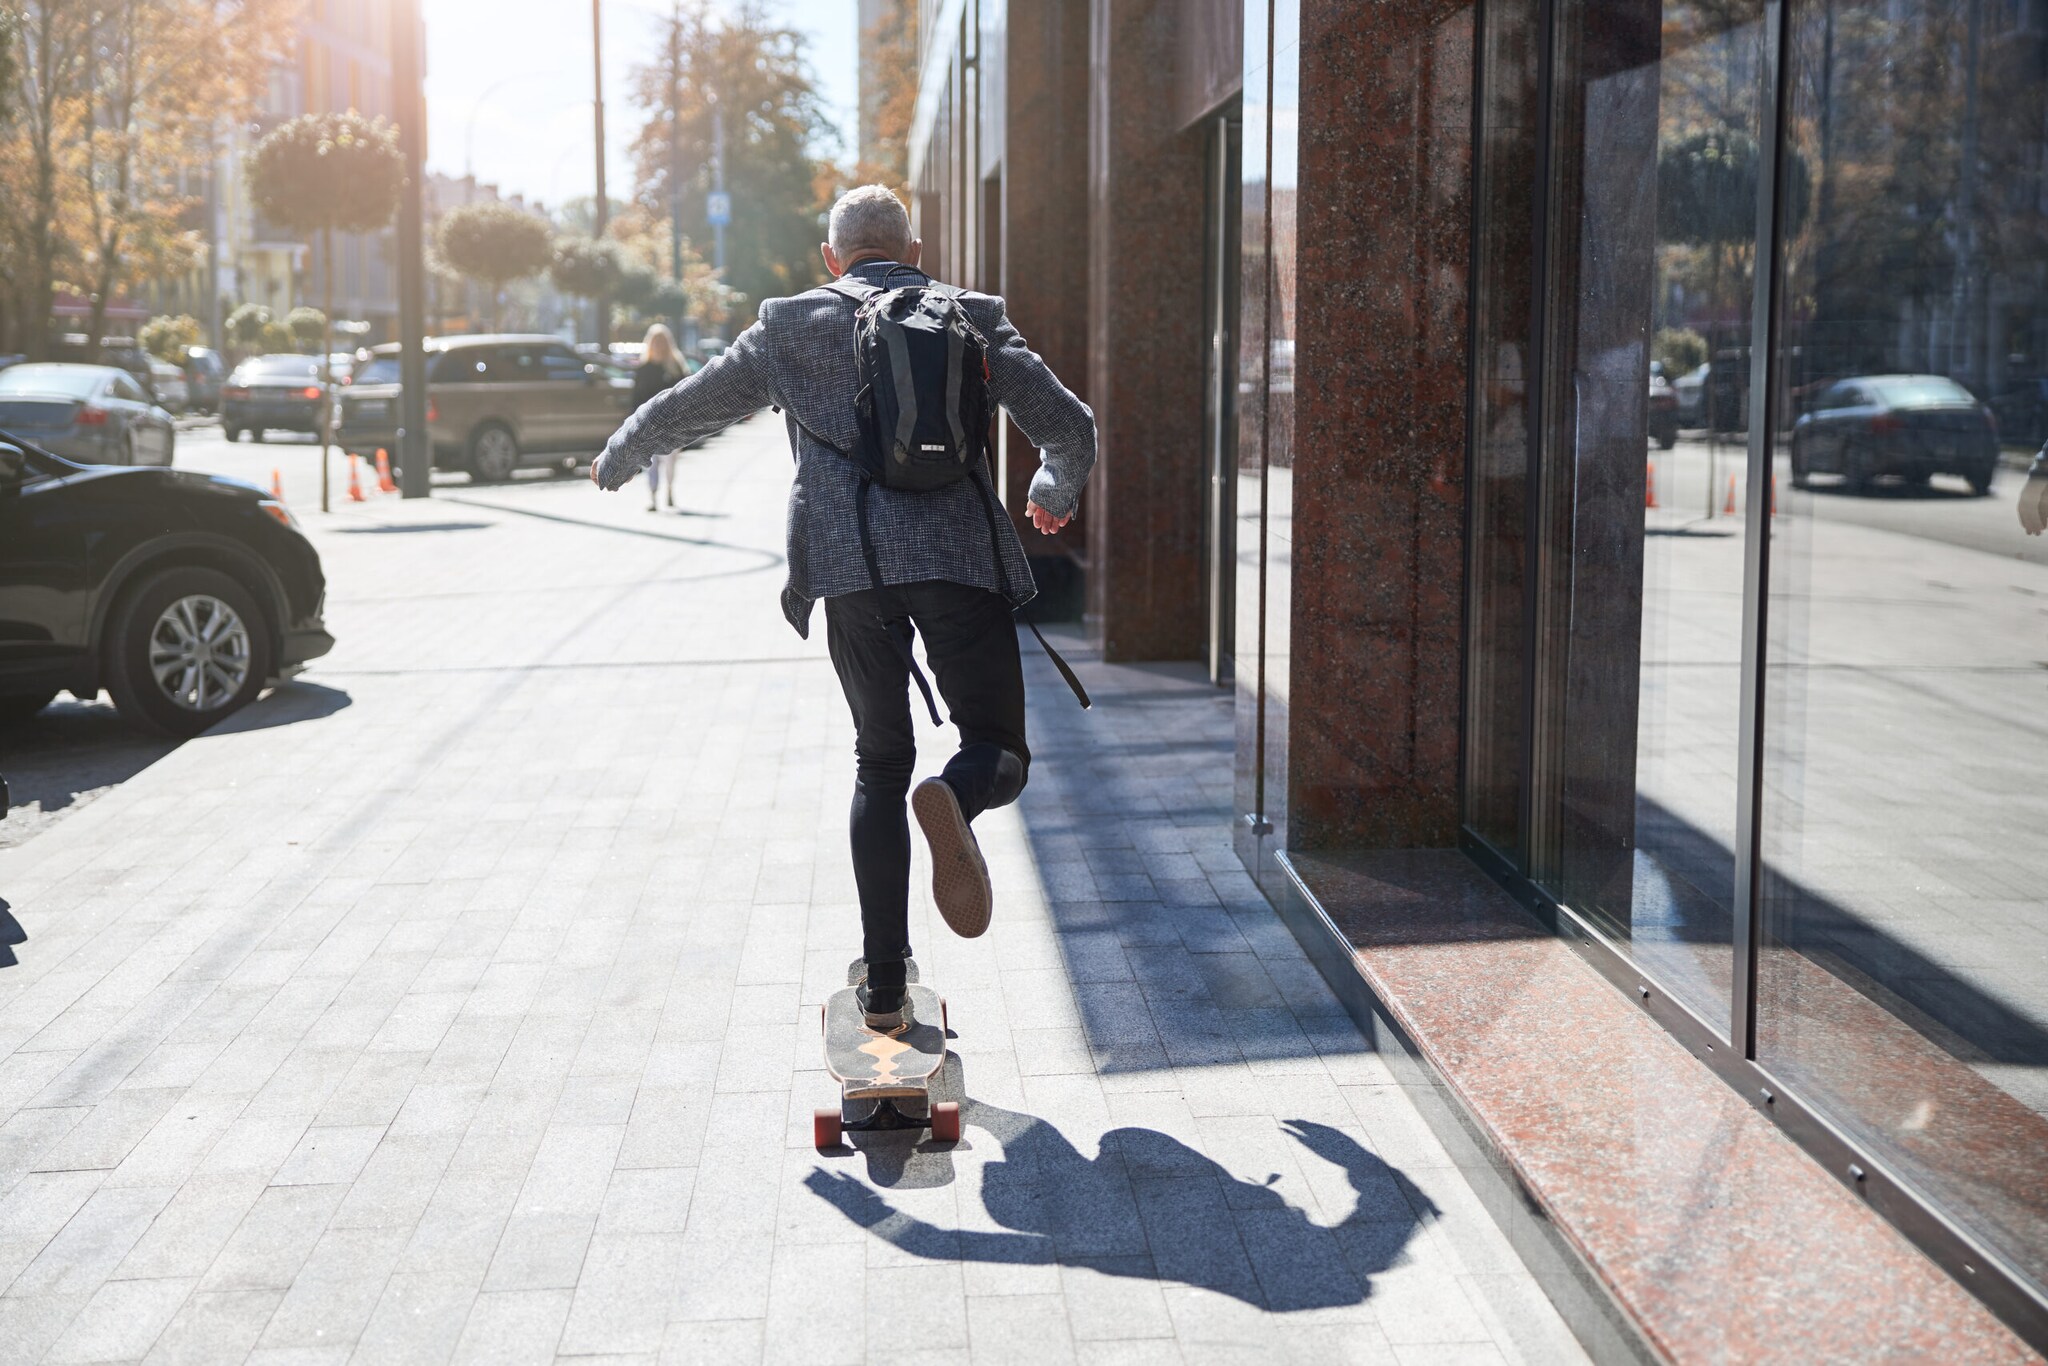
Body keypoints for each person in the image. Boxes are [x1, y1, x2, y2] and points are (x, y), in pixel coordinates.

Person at [592, 185, 1095, 1029]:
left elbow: (697, 402)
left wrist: (623, 451)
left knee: (877, 762)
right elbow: (1067, 423)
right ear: (916, 249)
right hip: (958, 563)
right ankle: (960, 795)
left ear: (832, 259)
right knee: (999, 745)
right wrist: (1052, 487)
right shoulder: (970, 315)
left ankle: (888, 984)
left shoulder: (791, 326)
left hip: (850, 568)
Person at [632, 324, 689, 511]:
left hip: (672, 424)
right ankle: (654, 497)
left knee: (670, 462)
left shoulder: (676, 367)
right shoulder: (643, 369)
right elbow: (636, 398)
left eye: (662, 341)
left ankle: (670, 490)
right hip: (650, 424)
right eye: (655, 341)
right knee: (652, 463)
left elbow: (685, 393)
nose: (658, 345)